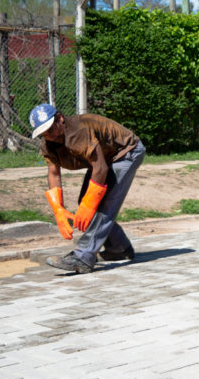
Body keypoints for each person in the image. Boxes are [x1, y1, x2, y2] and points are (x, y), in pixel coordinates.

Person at [28, 103, 144, 274]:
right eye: (43, 133)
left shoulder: (77, 132)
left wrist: (89, 204)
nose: (49, 136)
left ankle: (83, 257)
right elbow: (53, 173)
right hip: (105, 159)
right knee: (89, 202)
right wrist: (58, 209)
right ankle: (119, 249)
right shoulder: (48, 144)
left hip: (126, 153)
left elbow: (101, 169)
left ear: (60, 118)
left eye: (50, 129)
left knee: (102, 205)